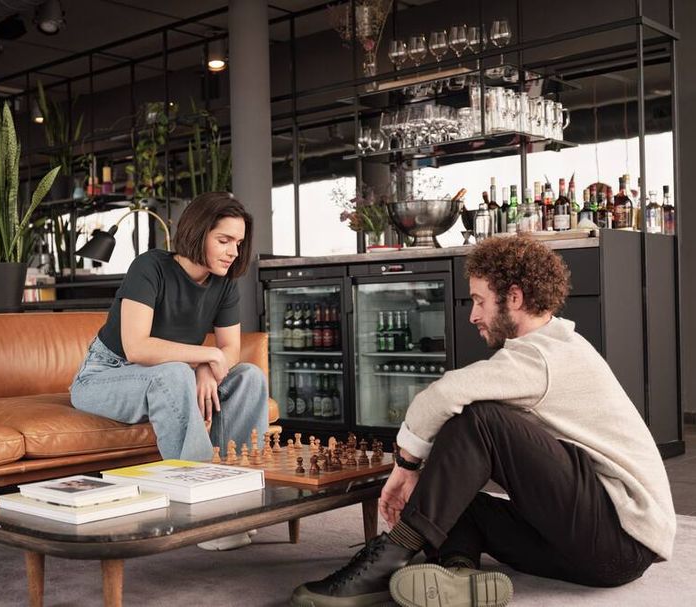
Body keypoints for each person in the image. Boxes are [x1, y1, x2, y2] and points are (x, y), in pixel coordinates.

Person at [291, 237, 675, 607]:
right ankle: (457, 573)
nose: (473, 315)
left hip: (618, 539)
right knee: (454, 499)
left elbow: (441, 395)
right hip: (580, 549)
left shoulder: (543, 356)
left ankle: (388, 560)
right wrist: (424, 477)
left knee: (479, 418)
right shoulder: (548, 346)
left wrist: (405, 468)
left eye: (479, 301)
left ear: (514, 298)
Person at [71, 191, 268, 467]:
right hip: (104, 376)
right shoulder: (150, 266)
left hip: (175, 377)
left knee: (250, 377)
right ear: (198, 233)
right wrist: (207, 356)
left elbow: (230, 349)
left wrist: (205, 367)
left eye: (238, 243)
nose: (234, 252)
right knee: (175, 374)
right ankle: (197, 479)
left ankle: (238, 474)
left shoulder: (225, 283)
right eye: (224, 241)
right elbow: (137, 348)